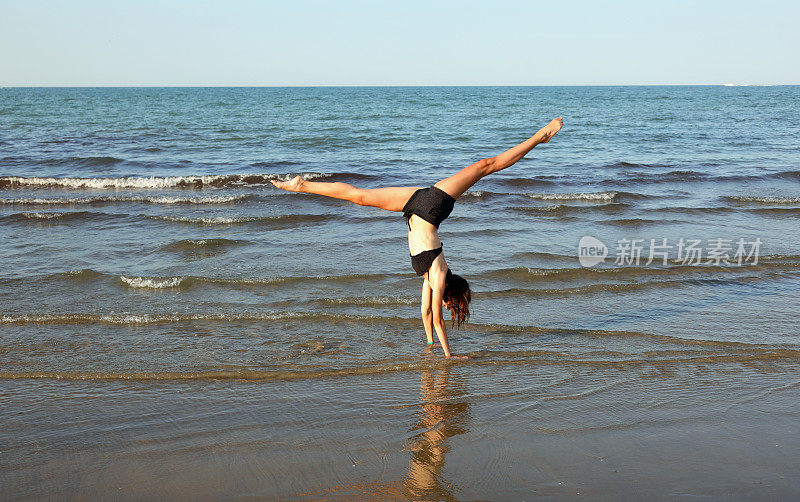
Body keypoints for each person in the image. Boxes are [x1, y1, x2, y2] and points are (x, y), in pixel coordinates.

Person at [272, 117, 563, 359]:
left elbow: (425, 313)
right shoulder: (438, 275)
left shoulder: (429, 277)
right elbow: (436, 317)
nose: (447, 307)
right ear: (451, 293)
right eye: (452, 304)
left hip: (415, 204)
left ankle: (303, 185)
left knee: (360, 197)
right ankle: (539, 136)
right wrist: (449, 356)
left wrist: (429, 344)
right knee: (488, 165)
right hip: (431, 206)